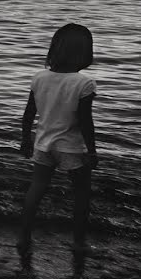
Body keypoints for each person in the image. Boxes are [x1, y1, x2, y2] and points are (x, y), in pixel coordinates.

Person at [18, 23, 98, 259]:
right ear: (84, 53)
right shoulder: (83, 83)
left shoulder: (39, 78)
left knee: (36, 188)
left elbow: (28, 114)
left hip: (44, 144)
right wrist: (92, 150)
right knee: (82, 193)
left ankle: (23, 238)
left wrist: (25, 139)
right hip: (71, 147)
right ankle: (78, 243)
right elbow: (85, 122)